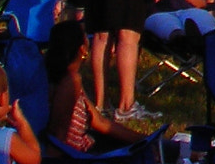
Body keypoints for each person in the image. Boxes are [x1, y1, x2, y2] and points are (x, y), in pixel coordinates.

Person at [43, 20, 147, 154]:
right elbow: (60, 134)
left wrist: (146, 139)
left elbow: (99, 122)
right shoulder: (69, 82)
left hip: (84, 143)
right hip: (77, 152)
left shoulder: (59, 75)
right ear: (82, 49)